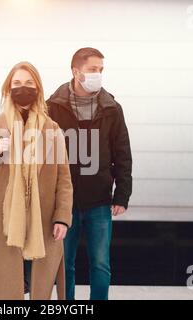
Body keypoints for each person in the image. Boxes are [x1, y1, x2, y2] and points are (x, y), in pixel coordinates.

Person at [0, 61, 73, 300]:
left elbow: (64, 180)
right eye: (17, 84)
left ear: (38, 88)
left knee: (39, 290)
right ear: (8, 89)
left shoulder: (52, 130)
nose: (23, 88)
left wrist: (62, 218)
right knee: (7, 292)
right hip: (4, 222)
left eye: (28, 83)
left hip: (42, 223)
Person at [47, 47, 133, 300]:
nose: (98, 74)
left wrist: (122, 195)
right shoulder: (52, 107)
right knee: (65, 266)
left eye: (101, 70)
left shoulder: (112, 108)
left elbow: (122, 153)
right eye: (93, 69)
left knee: (100, 265)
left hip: (99, 201)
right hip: (64, 204)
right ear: (76, 71)